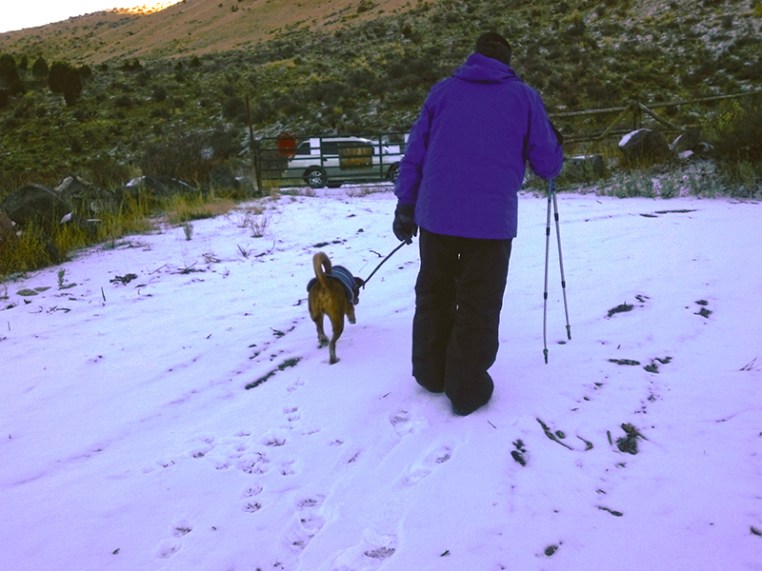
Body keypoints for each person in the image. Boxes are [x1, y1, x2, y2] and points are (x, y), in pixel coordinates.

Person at [392, 31, 563, 416]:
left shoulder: (443, 92)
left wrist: (406, 203)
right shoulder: (524, 98)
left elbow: (415, 151)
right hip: (490, 223)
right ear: (507, 60)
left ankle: (430, 373)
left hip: (436, 216)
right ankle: (466, 389)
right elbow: (547, 164)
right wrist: (556, 143)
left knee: (434, 293)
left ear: (474, 57)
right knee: (478, 302)